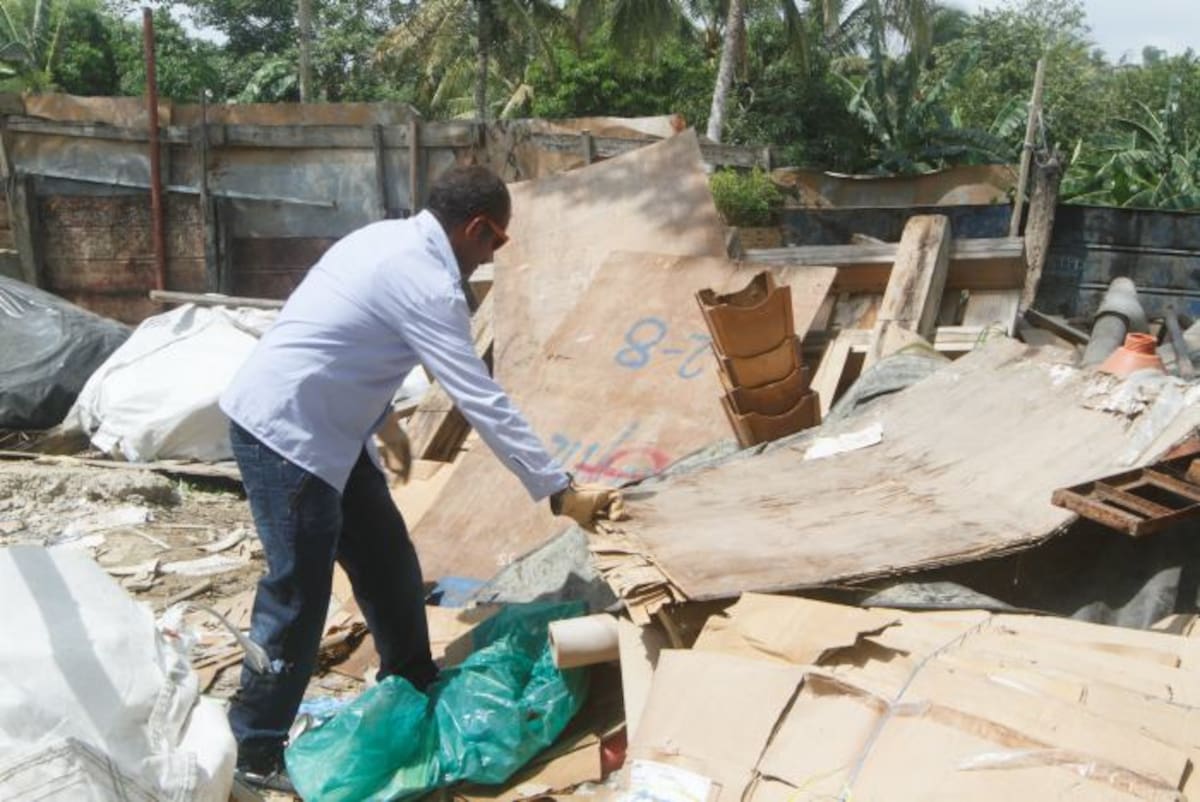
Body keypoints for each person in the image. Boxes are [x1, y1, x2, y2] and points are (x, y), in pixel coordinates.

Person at [219, 165, 620, 790]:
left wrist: (383, 423)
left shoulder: (382, 239)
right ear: (478, 228)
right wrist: (558, 487)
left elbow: (344, 338)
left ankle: (411, 680)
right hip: (286, 433)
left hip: (330, 427)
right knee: (298, 592)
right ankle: (255, 746)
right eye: (497, 243)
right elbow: (479, 398)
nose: (492, 257)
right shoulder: (428, 282)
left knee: (386, 558)